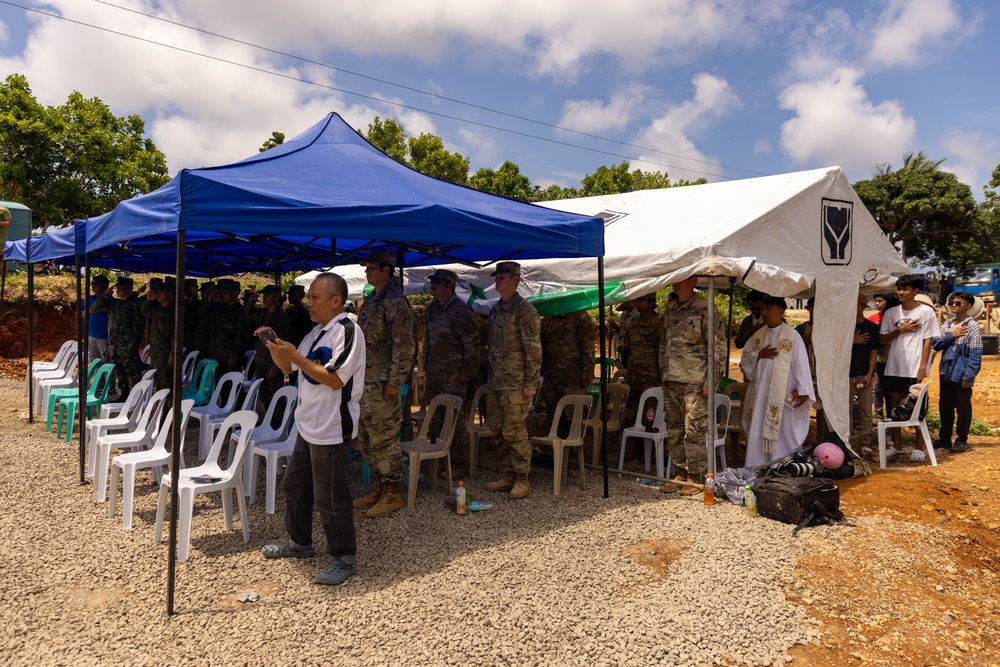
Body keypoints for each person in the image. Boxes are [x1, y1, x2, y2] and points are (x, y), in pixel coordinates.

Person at [259, 272, 365, 586]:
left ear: (336, 300)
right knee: (295, 484)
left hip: (332, 427)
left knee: (330, 496)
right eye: (309, 297)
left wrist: (295, 357)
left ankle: (344, 557)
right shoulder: (316, 332)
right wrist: (277, 351)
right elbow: (290, 370)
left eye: (315, 297)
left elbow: (334, 379)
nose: (308, 303)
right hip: (309, 425)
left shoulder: (347, 331)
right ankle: (300, 543)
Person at [353, 249, 416, 518]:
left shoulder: (395, 302)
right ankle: (380, 487)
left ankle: (393, 493)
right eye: (366, 267)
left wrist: (395, 381)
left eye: (371, 267)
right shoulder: (371, 301)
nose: (367, 271)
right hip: (365, 381)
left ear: (386, 270)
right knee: (366, 439)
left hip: (382, 384)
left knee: (385, 438)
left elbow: (405, 345)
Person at [658, 276, 726, 494]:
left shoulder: (705, 308)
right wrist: (663, 373)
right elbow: (663, 343)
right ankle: (680, 473)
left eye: (682, 279)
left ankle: (696, 476)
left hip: (695, 381)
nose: (676, 283)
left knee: (694, 430)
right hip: (672, 379)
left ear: (694, 280)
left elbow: (717, 348)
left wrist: (711, 381)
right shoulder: (670, 309)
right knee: (675, 429)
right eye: (675, 280)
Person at [484, 261, 542, 499]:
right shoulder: (496, 309)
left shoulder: (524, 310)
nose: (498, 279)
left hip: (516, 383)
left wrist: (530, 383)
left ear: (515, 278)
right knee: (497, 431)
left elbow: (534, 350)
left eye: (503, 276)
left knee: (514, 431)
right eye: (496, 276)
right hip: (497, 381)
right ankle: (508, 474)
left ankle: (522, 478)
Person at [739, 295, 814, 468]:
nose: (764, 313)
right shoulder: (757, 336)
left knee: (783, 429)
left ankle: (781, 464)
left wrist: (803, 390)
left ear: (781, 312)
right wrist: (759, 354)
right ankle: (757, 464)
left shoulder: (793, 336)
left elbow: (801, 364)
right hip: (759, 392)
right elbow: (745, 360)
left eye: (769, 309)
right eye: (763, 309)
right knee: (758, 426)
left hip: (782, 392)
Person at [422, 268, 480, 478]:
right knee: (436, 419)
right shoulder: (431, 309)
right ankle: (439, 457)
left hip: (454, 376)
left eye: (438, 282)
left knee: (453, 420)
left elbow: (472, 344)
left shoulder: (461, 311)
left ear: (449, 286)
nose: (434, 285)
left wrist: (467, 372)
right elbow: (427, 340)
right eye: (433, 281)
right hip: (434, 374)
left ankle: (459, 463)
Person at [879, 275, 941, 460]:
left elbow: (928, 339)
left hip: (916, 367)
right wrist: (900, 330)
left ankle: (919, 446)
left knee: (919, 405)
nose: (901, 292)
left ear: (915, 291)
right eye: (899, 289)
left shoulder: (926, 312)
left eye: (905, 289)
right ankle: (897, 445)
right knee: (895, 404)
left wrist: (923, 366)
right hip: (894, 366)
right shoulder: (891, 313)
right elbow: (883, 338)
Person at [931, 291, 982, 453]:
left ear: (968, 306)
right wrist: (951, 336)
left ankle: (962, 439)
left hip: (961, 373)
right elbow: (937, 344)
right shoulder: (947, 326)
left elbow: (975, 355)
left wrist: (969, 376)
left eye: (958, 303)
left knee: (963, 407)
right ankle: (944, 439)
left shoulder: (972, 327)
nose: (953, 305)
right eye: (952, 302)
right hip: (945, 372)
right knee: (945, 406)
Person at [539, 310, 595, 437]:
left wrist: (587, 373)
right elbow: (543, 345)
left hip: (572, 376)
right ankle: (557, 449)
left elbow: (588, 346)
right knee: (554, 415)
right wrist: (542, 370)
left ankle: (574, 450)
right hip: (551, 374)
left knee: (573, 414)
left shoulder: (579, 316)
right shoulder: (547, 318)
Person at [92, 277, 145, 398]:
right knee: (120, 372)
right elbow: (96, 307)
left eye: (121, 288)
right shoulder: (116, 303)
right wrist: (105, 295)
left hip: (127, 346)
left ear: (130, 288)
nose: (118, 290)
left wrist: (133, 345)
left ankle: (136, 398)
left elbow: (138, 327)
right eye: (117, 288)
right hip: (115, 345)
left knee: (132, 373)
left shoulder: (135, 304)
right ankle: (124, 395)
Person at [619, 294, 661, 427]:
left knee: (648, 416)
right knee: (630, 415)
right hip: (634, 377)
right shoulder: (632, 326)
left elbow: (661, 352)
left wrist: (660, 379)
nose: (638, 303)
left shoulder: (658, 326)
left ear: (651, 303)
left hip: (650, 379)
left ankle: (647, 447)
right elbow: (629, 350)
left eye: (642, 300)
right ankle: (633, 446)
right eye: (637, 299)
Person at [249, 284, 291, 412]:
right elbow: (248, 314)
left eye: (268, 295)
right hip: (261, 359)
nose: (264, 297)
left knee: (275, 397)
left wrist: (276, 366)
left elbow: (284, 342)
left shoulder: (282, 317)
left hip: (272, 362)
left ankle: (277, 426)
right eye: (263, 295)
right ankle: (269, 422)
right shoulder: (263, 313)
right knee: (263, 395)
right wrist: (251, 302)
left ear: (276, 297)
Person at [850, 293, 880, 442]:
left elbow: (874, 352)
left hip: (863, 374)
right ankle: (845, 440)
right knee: (846, 409)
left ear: (863, 306)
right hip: (846, 375)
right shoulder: (844, 327)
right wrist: (852, 341)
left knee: (866, 409)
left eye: (856, 304)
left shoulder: (872, 328)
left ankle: (866, 441)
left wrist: (869, 373)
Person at [208, 278, 250, 383]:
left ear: (235, 293)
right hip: (219, 354)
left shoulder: (240, 311)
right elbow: (205, 313)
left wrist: (234, 355)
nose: (224, 294)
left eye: (227, 292)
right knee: (220, 386)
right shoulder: (221, 308)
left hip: (231, 357)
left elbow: (241, 336)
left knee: (233, 387)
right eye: (223, 292)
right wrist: (209, 299)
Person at [141, 277, 176, 392]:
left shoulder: (175, 311)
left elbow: (177, 336)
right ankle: (161, 407)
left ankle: (168, 408)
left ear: (170, 293)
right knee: (158, 383)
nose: (158, 294)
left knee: (167, 384)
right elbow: (144, 311)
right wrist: (148, 300)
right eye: (157, 292)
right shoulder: (158, 309)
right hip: (156, 352)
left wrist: (173, 355)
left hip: (166, 354)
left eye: (161, 292)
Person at [85, 274, 113, 362]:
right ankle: (98, 376)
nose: (92, 285)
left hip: (104, 337)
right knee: (94, 362)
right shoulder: (89, 298)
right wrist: (88, 311)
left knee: (106, 362)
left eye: (96, 283)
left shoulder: (111, 300)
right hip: (91, 336)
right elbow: (77, 314)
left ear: (105, 286)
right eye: (92, 283)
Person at [0, 206, 11, 283]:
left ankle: (3, 280)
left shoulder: (3, 210)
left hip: (1, 237)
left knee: (2, 258)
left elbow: (8, 223)